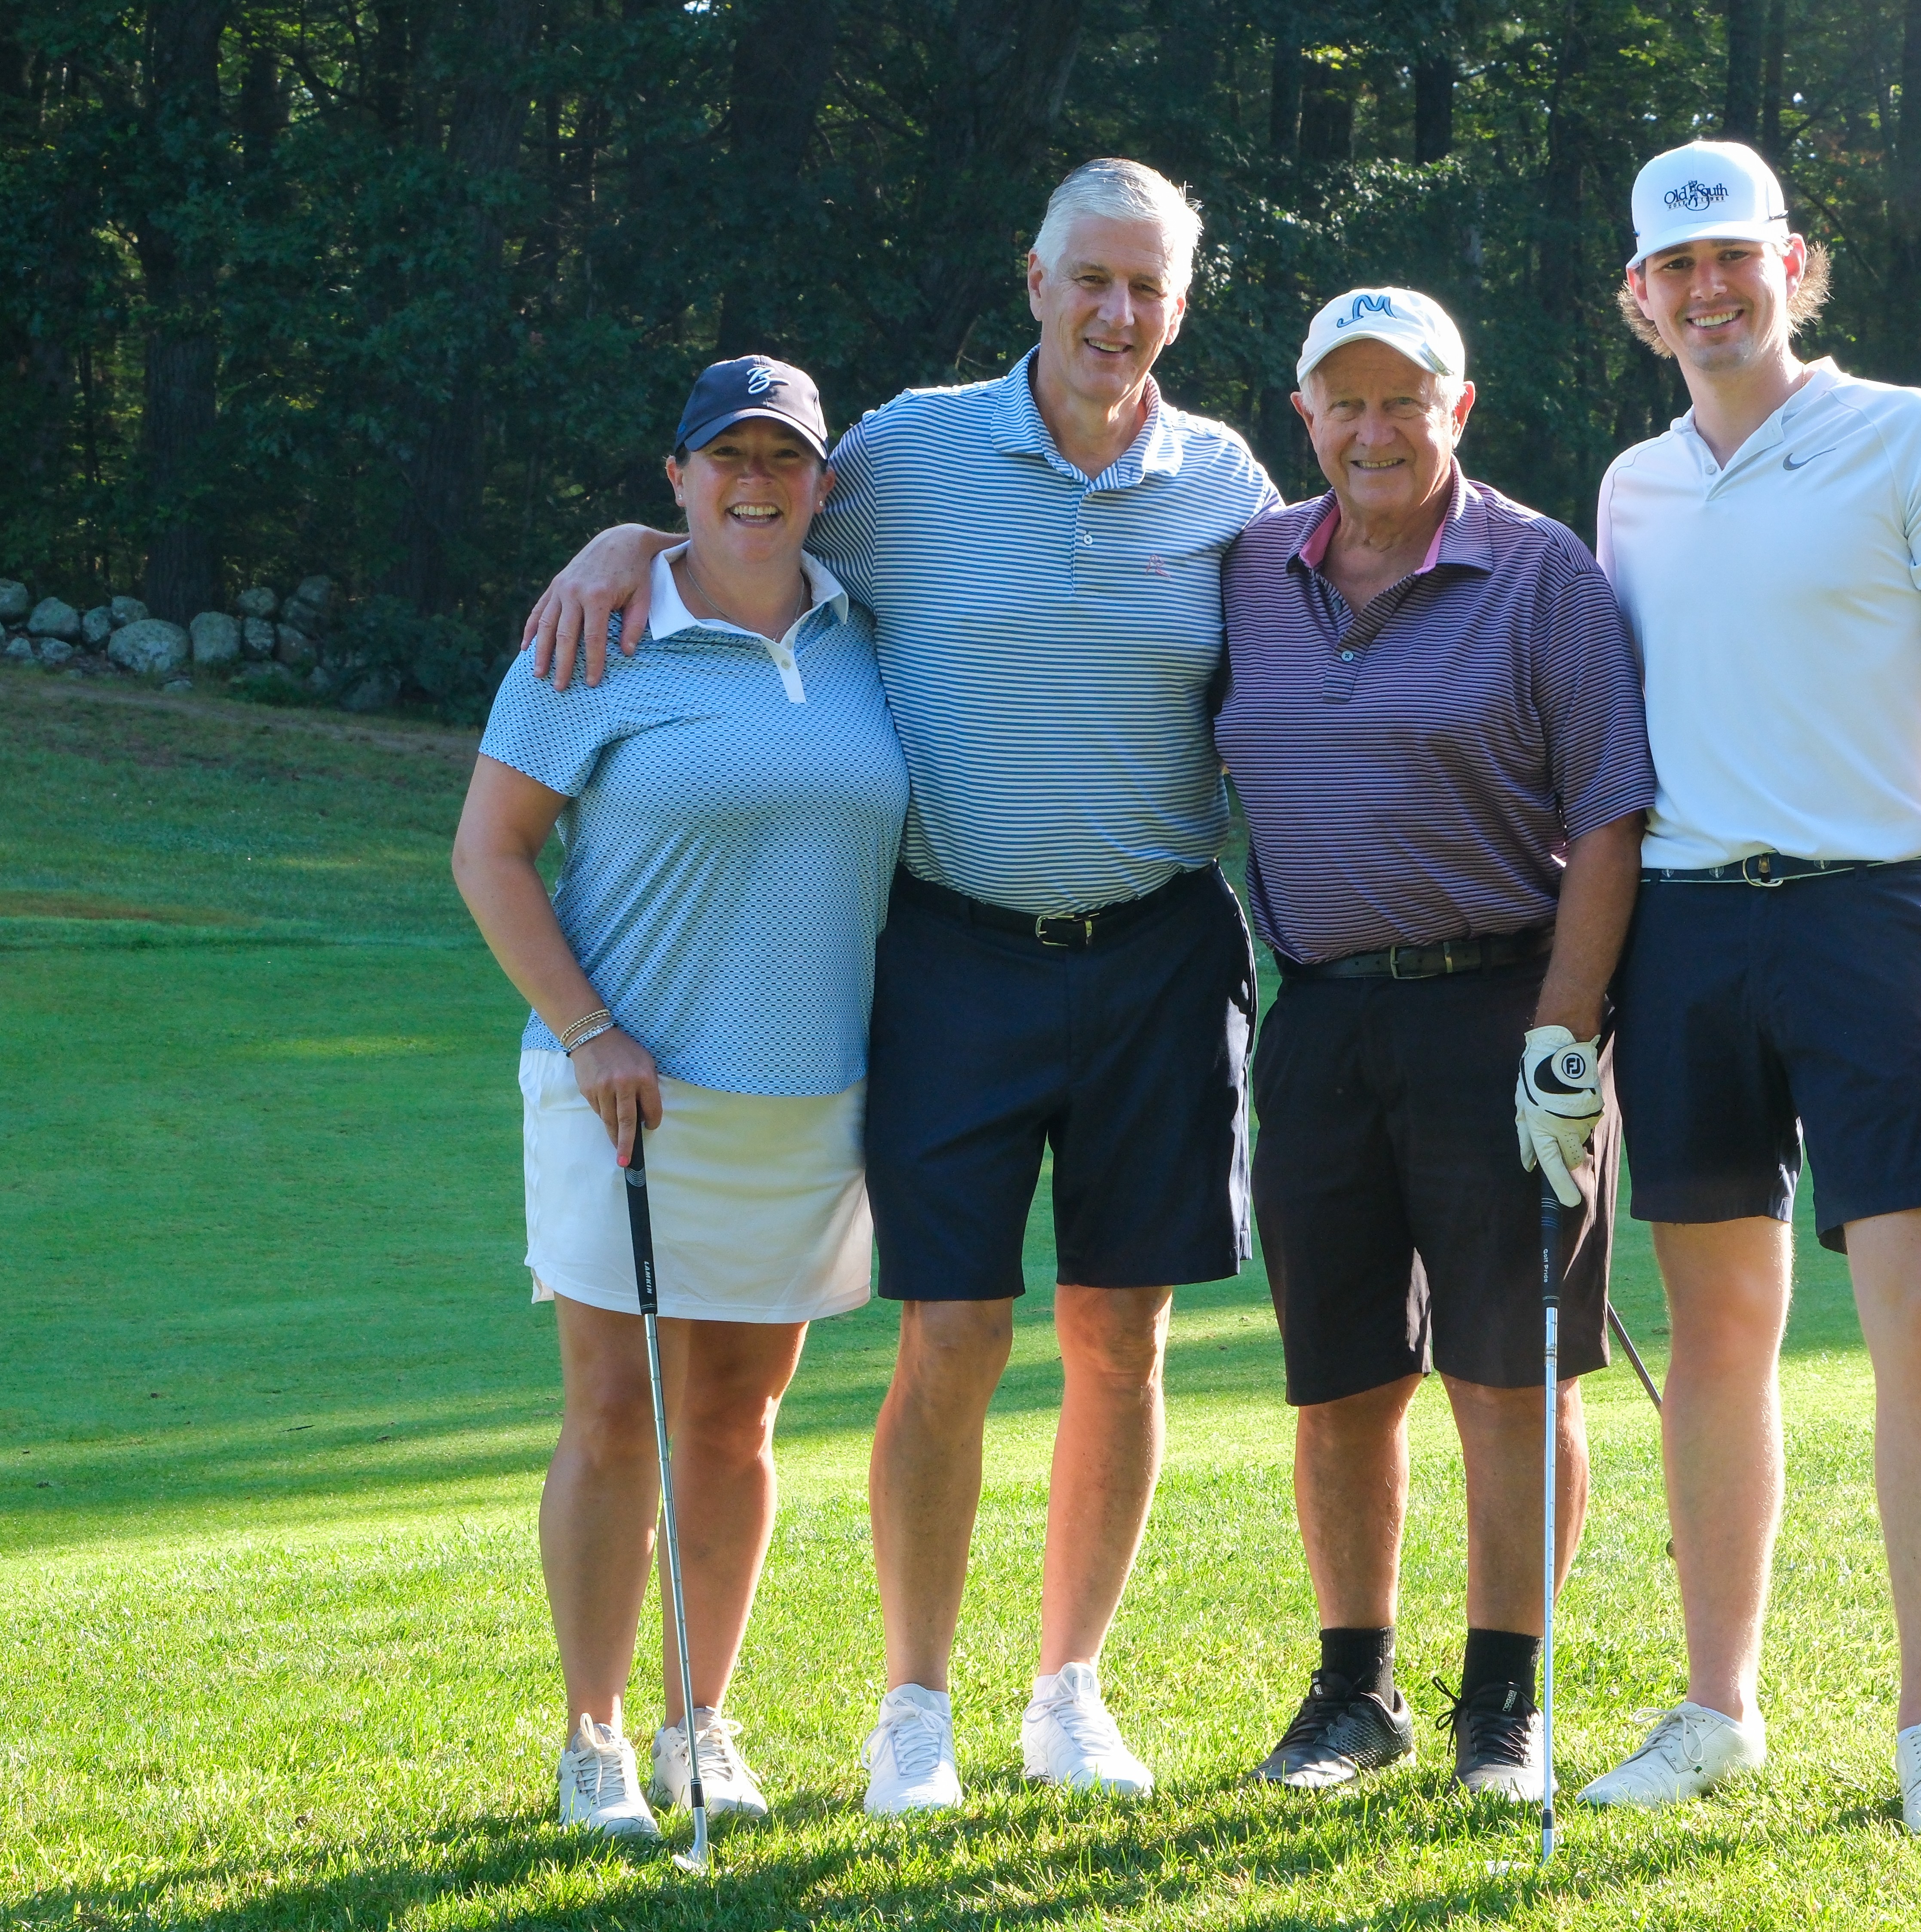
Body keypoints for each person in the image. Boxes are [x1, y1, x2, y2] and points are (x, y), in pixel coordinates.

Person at [519, 159, 1277, 1815]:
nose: (1115, 312)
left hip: (1155, 946)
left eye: (1147, 287)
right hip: (948, 952)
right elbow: (751, 506)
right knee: (954, 1332)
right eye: (1089, 276)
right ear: (1032, 276)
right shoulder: (917, 450)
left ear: (1183, 303)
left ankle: (1069, 1691)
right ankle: (911, 1712)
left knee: (1123, 1338)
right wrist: (625, 534)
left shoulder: (1223, 477)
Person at [1576, 141, 1921, 1837]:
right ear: (1641, 299)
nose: (1710, 287)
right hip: (1692, 933)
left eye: (1737, 256)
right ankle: (1718, 1706)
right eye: (1677, 267)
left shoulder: (1910, 438)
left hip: (1885, 920)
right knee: (1720, 1332)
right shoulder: (1629, 492)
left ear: (1796, 266)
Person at [451, 356, 907, 1842]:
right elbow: (491, 854)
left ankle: (699, 1723)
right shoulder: (596, 636)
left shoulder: (866, 631)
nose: (756, 483)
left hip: (804, 1099)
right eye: (728, 458)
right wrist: (587, 1032)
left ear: (823, 483)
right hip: (623, 1090)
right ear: (678, 478)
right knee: (609, 1415)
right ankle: (592, 1738)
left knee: (735, 1423)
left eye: (785, 457)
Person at [1216, 288, 1653, 1800]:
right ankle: (1355, 1694)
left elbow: (1610, 818)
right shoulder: (1251, 568)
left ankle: (1504, 1704)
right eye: (1346, 401)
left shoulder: (1545, 577)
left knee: (1513, 1375)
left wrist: (1564, 1038)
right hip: (1323, 1011)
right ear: (1306, 417)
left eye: (1406, 399)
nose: (1374, 428)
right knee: (1339, 1376)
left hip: (1505, 1007)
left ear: (1458, 411)